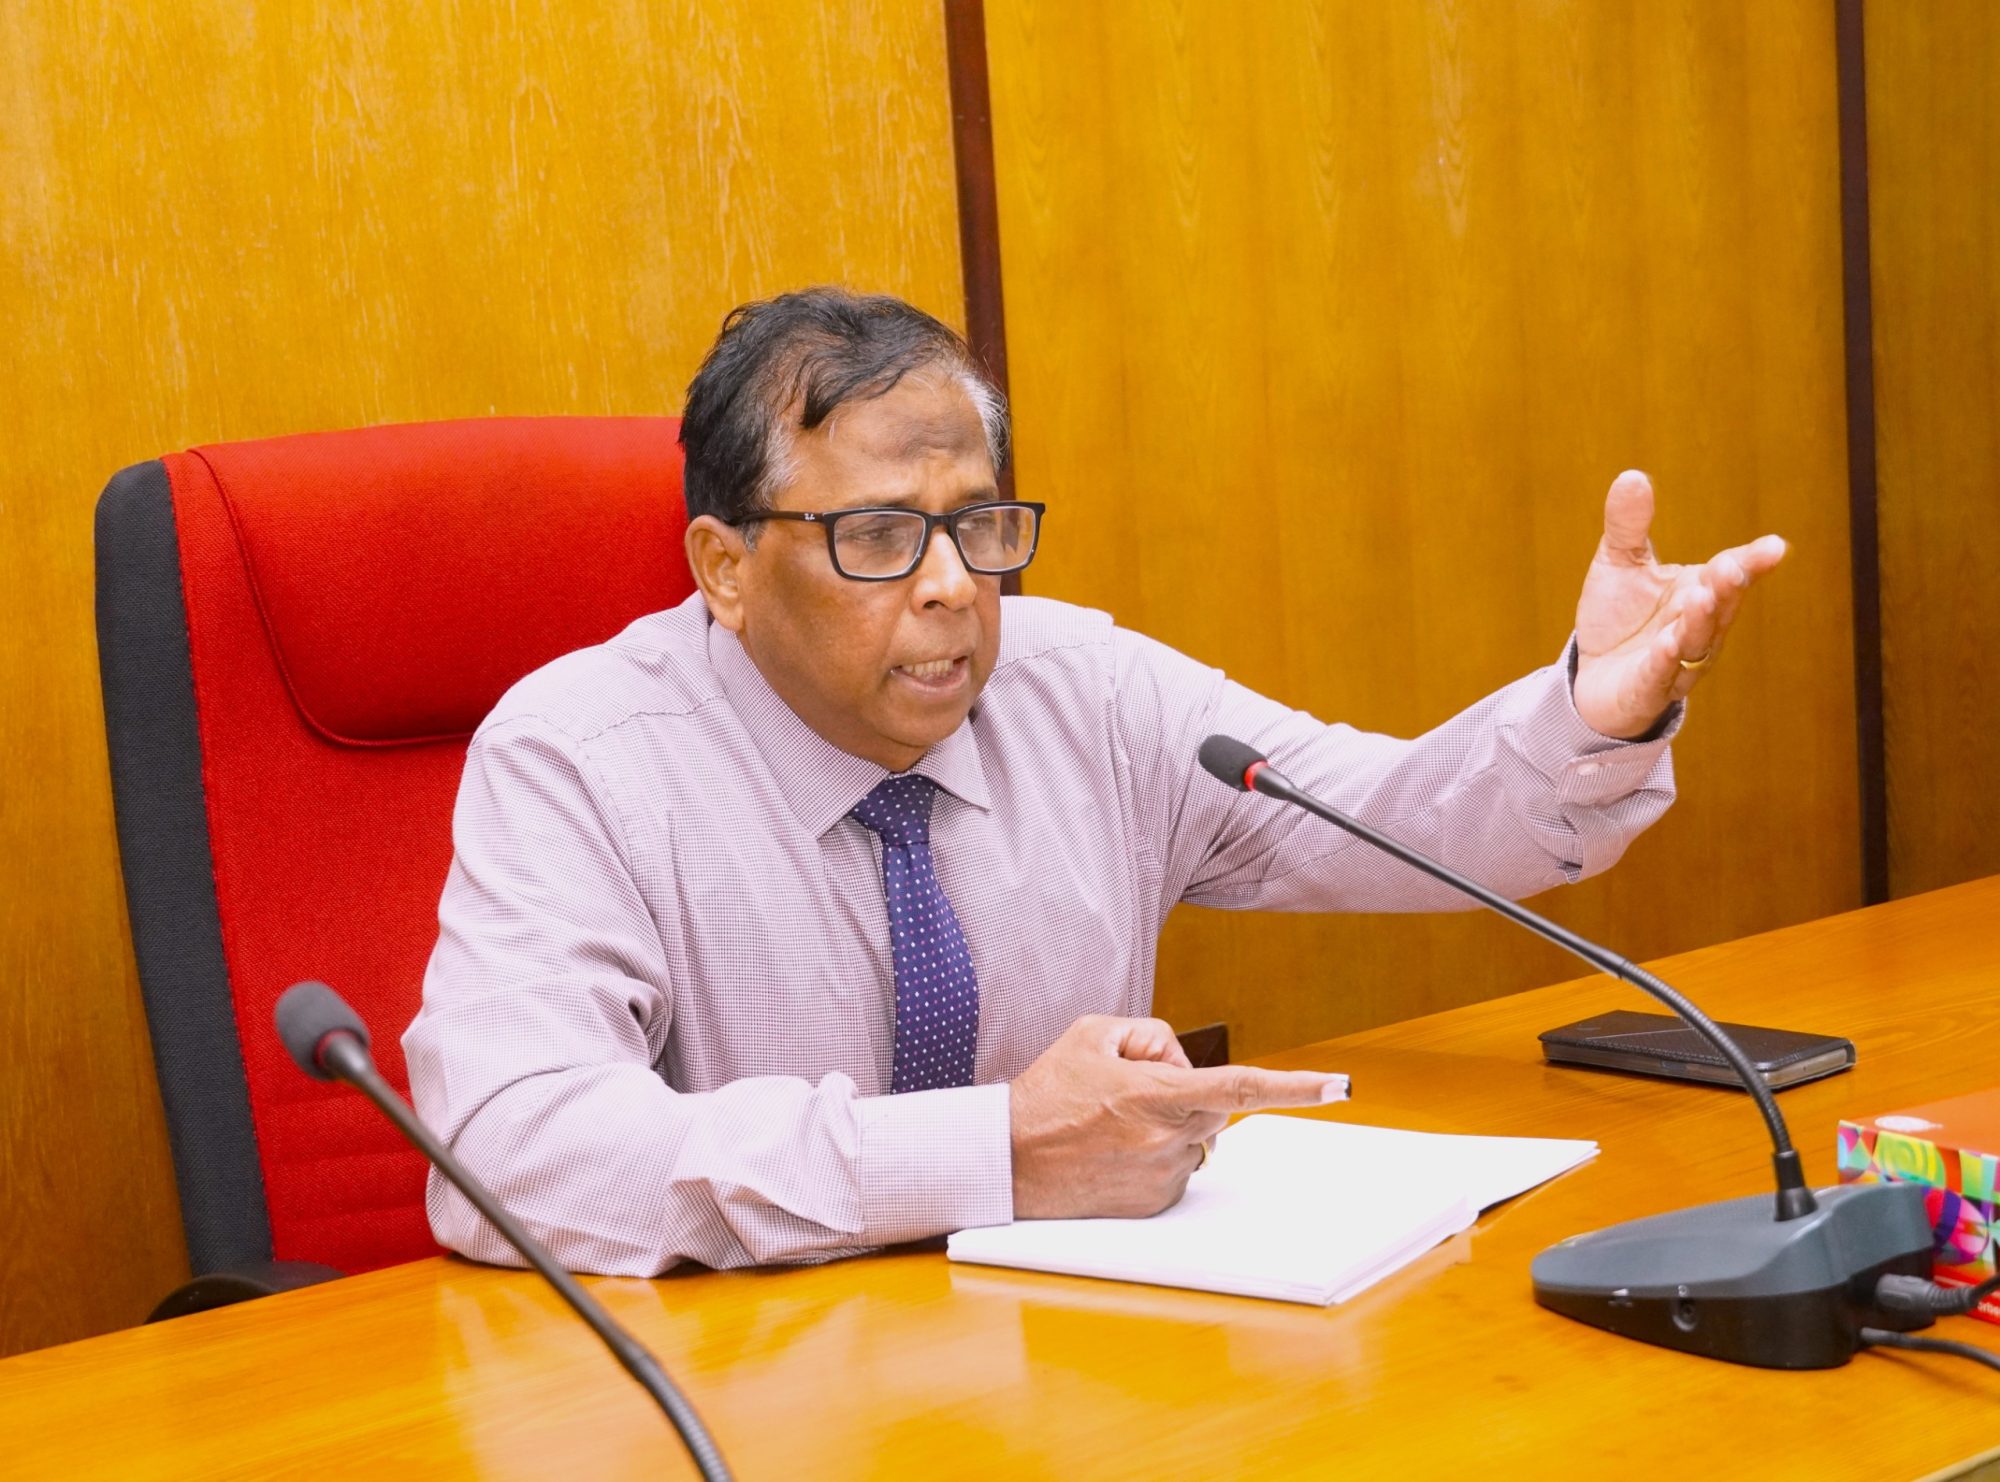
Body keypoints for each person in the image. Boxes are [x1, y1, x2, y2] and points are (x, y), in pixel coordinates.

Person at [403, 288, 1786, 1276]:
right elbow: (507, 1148)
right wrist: (991, 1149)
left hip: (1085, 1360)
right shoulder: (581, 756)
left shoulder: (1088, 691)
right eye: (880, 536)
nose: (952, 587)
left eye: (978, 527)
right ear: (724, 567)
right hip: (749, 1392)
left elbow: (1404, 823)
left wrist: (1594, 708)